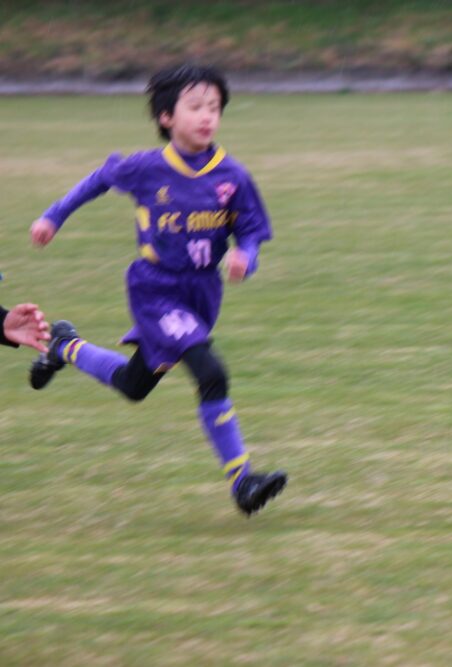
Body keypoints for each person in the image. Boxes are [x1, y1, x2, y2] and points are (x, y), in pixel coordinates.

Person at [28, 64, 286, 516]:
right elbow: (99, 179)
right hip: (155, 290)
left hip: (201, 294)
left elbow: (249, 232)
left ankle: (64, 346)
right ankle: (242, 480)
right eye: (195, 106)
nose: (206, 116)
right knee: (210, 371)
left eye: (214, 107)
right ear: (166, 117)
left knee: (135, 384)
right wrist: (54, 216)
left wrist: (246, 257)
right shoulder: (146, 168)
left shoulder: (233, 176)